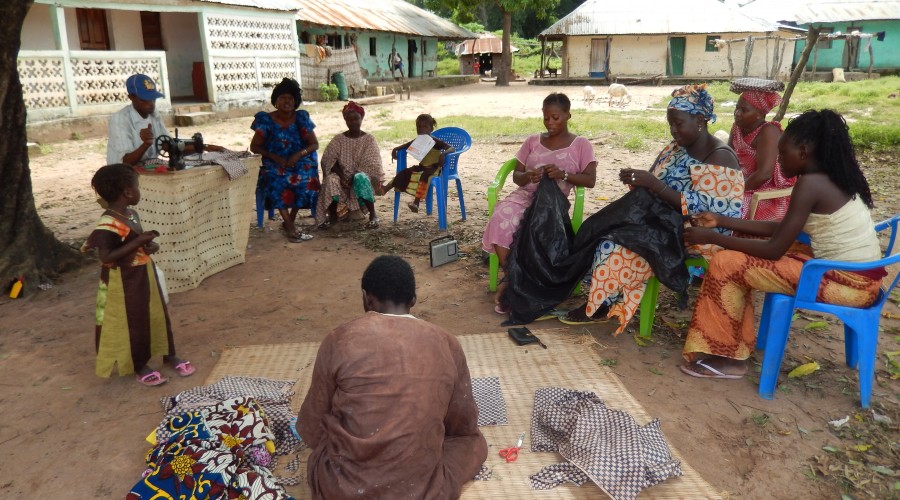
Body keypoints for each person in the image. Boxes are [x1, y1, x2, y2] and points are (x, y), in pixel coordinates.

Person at [680, 109, 885, 379]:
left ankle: (728, 358)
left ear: (803, 151)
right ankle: (734, 342)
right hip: (860, 278)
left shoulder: (810, 184)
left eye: (782, 153)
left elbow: (774, 249)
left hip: (847, 285)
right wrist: (721, 221)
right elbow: (781, 228)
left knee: (725, 263)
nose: (777, 160)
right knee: (743, 248)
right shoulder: (832, 175)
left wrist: (713, 238)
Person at [297, 255, 487, 499]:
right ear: (414, 300)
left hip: (342, 490)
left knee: (326, 449)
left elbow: (311, 428)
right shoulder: (446, 342)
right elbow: (462, 424)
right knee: (472, 443)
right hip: (423, 492)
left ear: (366, 298)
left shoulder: (339, 339)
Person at [562, 84, 743, 333]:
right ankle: (600, 295)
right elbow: (656, 180)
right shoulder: (675, 148)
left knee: (614, 244)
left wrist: (654, 186)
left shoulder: (720, 156)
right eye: (671, 123)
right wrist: (640, 182)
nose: (674, 130)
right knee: (599, 228)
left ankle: (602, 304)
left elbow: (709, 213)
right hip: (663, 220)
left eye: (679, 123)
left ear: (700, 120)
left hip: (697, 234)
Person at [482, 92, 598, 313]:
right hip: (524, 197)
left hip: (552, 206)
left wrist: (563, 175)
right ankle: (512, 277)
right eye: (546, 118)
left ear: (568, 115)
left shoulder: (581, 144)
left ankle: (527, 282)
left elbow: (589, 180)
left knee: (537, 227)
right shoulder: (533, 141)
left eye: (555, 117)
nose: (550, 123)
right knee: (502, 217)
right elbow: (516, 175)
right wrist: (529, 176)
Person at [81, 164, 195, 386]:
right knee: (134, 322)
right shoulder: (108, 223)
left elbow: (137, 242)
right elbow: (106, 257)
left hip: (144, 273)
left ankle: (168, 354)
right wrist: (139, 241)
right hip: (122, 282)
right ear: (127, 191)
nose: (139, 190)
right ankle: (140, 364)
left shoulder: (131, 214)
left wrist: (149, 246)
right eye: (138, 186)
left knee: (157, 313)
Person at [250, 78, 319, 243]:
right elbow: (254, 147)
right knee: (275, 179)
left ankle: (290, 221)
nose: (286, 101)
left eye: (290, 98)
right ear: (276, 101)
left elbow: (314, 144)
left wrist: (298, 155)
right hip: (274, 162)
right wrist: (274, 157)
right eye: (282, 98)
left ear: (295, 101)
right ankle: (290, 226)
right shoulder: (266, 120)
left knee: (307, 177)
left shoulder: (301, 118)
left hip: (298, 160)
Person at [107, 74, 222, 167]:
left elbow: (168, 145)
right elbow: (125, 162)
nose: (150, 104)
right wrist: (146, 144)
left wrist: (203, 147)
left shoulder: (154, 115)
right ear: (131, 97)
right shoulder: (120, 120)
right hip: (121, 175)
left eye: (152, 99)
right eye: (144, 99)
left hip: (148, 168)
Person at [315, 101, 384, 230]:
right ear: (345, 121)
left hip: (359, 178)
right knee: (331, 180)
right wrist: (341, 176)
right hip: (342, 179)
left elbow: (371, 163)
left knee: (361, 178)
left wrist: (353, 176)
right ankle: (333, 216)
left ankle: (373, 215)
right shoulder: (338, 139)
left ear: (361, 118)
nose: (353, 122)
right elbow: (328, 160)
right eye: (349, 119)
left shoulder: (369, 139)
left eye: (356, 119)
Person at [729, 85, 795, 220]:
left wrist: (733, 192)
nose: (737, 113)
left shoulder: (768, 131)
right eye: (737, 108)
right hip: (742, 183)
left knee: (730, 208)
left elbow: (764, 174)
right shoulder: (737, 127)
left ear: (760, 113)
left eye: (744, 110)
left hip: (768, 190)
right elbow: (728, 155)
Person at [382, 113, 455, 213]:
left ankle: (416, 203)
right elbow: (406, 145)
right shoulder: (418, 140)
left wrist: (443, 154)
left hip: (433, 168)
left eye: (425, 127)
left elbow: (452, 148)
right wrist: (395, 149)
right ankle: (385, 189)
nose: (422, 130)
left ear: (431, 129)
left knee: (425, 176)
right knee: (404, 172)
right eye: (419, 127)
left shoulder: (434, 141)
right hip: (422, 167)